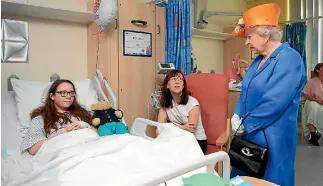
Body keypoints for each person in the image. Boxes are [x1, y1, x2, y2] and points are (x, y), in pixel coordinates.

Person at [230, 3, 306, 186]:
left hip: (272, 139)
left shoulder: (290, 58)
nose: (247, 42)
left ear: (265, 35)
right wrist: (236, 113)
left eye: (249, 36)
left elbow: (275, 102)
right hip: (247, 136)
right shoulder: (258, 61)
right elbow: (245, 90)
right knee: (242, 180)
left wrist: (245, 123)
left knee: (270, 181)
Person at [20, 79, 94, 155]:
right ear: (52, 96)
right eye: (63, 93)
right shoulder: (40, 119)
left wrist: (83, 125)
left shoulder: (82, 113)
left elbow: (98, 134)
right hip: (64, 154)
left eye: (71, 93)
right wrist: (63, 135)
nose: (68, 96)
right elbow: (32, 149)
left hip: (90, 149)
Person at [156, 70, 207, 154]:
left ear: (183, 86)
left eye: (180, 79)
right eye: (173, 79)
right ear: (167, 85)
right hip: (177, 139)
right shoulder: (165, 103)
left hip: (196, 142)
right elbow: (159, 129)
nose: (177, 82)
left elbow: (190, 130)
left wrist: (170, 128)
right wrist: (182, 127)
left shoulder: (193, 103)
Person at [302, 63, 323, 146]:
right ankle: (313, 133)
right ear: (318, 71)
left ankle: (318, 133)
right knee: (312, 106)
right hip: (315, 102)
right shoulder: (312, 82)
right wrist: (315, 100)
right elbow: (305, 94)